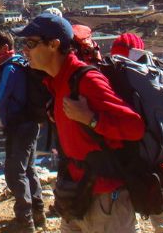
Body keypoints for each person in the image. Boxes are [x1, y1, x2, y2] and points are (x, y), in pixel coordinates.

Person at [13, 13, 145, 233]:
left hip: (105, 203)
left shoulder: (87, 80)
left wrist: (91, 120)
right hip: (76, 194)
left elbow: (134, 127)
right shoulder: (58, 82)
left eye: (31, 43)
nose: (25, 50)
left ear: (54, 44)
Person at [0, 31, 44, 232]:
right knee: (28, 169)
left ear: (5, 48)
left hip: (19, 127)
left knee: (15, 172)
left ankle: (25, 221)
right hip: (30, 124)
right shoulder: (19, 64)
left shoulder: (10, 69)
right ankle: (37, 213)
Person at [108, 33, 163, 233]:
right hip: (159, 155)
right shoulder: (160, 73)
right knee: (160, 212)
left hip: (127, 155)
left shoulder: (117, 75)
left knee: (127, 214)